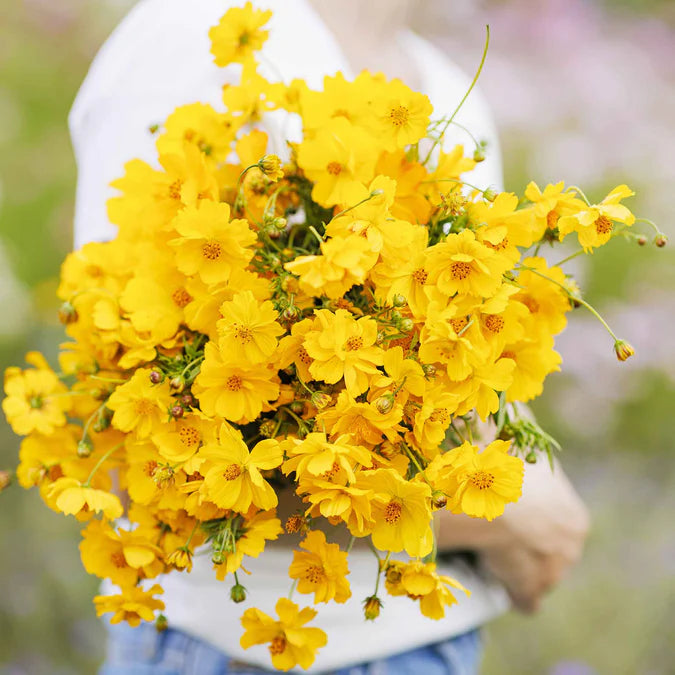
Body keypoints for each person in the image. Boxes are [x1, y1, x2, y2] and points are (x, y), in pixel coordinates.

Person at [69, 1, 590, 672]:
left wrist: (513, 488)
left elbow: (470, 381)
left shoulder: (444, 82)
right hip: (238, 649)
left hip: (433, 637)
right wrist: (496, 515)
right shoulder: (195, 34)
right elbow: (131, 449)